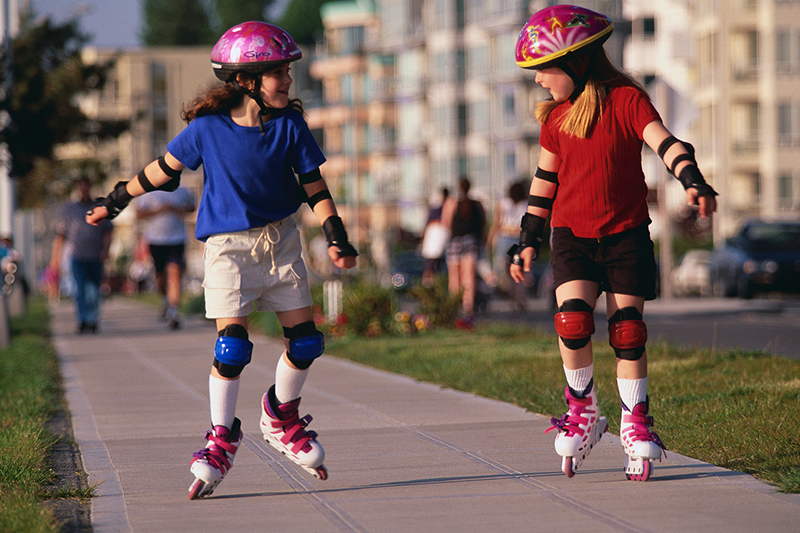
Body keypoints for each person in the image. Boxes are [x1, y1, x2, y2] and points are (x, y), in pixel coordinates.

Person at [86, 21, 357, 499]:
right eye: (279, 74)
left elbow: (315, 186)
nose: (288, 81)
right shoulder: (206, 130)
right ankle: (220, 439)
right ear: (247, 80)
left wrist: (337, 235)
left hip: (282, 243)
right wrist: (115, 200)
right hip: (228, 249)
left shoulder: (290, 126)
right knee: (232, 347)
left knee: (307, 342)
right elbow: (160, 173)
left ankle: (280, 416)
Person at [509, 5, 717, 482]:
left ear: (577, 61)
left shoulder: (627, 100)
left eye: (543, 69)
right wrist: (526, 240)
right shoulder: (556, 119)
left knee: (627, 330)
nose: (538, 79)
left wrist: (693, 181)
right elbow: (544, 183)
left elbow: (666, 143)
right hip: (572, 237)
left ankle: (635, 420)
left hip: (625, 235)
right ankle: (582, 411)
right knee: (572, 320)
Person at [51, 177, 114, 334]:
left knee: (93, 290)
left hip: (95, 255)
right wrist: (55, 259)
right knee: (79, 289)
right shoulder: (69, 209)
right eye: (81, 187)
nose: (83, 189)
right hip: (77, 256)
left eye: (86, 186)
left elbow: (108, 231)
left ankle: (92, 319)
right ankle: (82, 319)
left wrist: (106, 249)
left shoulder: (99, 207)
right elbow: (60, 235)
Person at [135, 186, 196, 329]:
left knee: (175, 273)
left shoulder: (182, 190)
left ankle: (173, 312)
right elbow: (139, 214)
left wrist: (179, 210)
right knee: (160, 277)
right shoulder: (149, 193)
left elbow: (192, 207)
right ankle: (165, 300)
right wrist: (161, 209)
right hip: (156, 240)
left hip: (177, 239)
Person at [441, 176, 486, 324]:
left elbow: (445, 222)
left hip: (455, 241)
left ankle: (454, 305)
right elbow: (483, 222)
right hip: (472, 241)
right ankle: (468, 308)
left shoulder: (451, 202)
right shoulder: (476, 203)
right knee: (469, 277)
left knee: (454, 276)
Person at [487, 179, 530, 311]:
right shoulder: (526, 204)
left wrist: (490, 240)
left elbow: (496, 223)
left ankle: (512, 297)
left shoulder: (503, 203)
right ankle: (520, 298)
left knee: (504, 272)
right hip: (520, 238)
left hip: (505, 237)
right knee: (519, 271)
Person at [420, 187, 449, 286]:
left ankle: (430, 284)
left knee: (431, 265)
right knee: (432, 265)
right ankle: (430, 285)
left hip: (436, 237)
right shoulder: (440, 208)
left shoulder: (438, 208)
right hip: (437, 237)